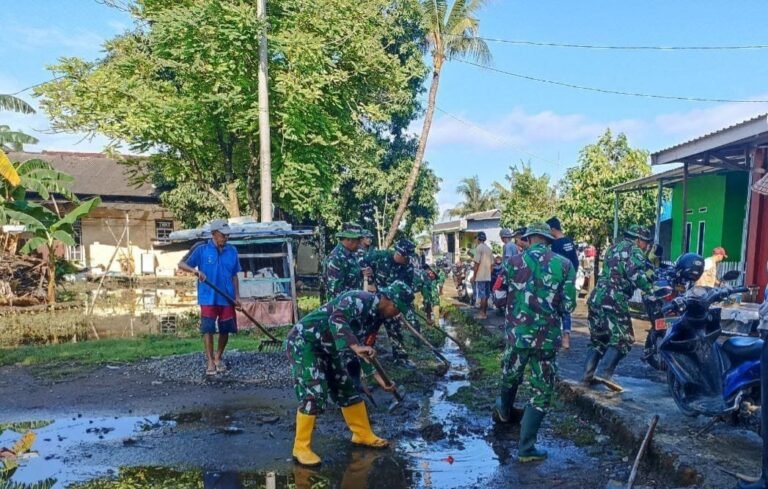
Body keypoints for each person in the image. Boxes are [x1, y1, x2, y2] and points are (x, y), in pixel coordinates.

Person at [287, 282, 413, 466]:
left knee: (346, 389)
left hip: (328, 349)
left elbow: (366, 350)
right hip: (304, 343)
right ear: (389, 300)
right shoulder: (357, 299)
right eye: (397, 309)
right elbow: (336, 320)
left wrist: (379, 380)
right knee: (314, 392)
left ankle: (362, 434)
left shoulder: (377, 318)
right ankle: (301, 447)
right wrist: (355, 346)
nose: (397, 314)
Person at [492, 222, 576, 463]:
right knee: (541, 390)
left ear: (528, 239)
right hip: (546, 340)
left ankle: (504, 410)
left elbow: (497, 297)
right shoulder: (565, 265)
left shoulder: (511, 262)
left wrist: (512, 306)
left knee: (511, 375)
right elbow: (568, 306)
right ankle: (526, 448)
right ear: (548, 241)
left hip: (516, 336)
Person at [582, 225, 655, 386]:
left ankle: (588, 373)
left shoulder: (613, 248)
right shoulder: (634, 250)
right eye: (645, 242)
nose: (646, 246)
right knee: (624, 338)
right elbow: (635, 275)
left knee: (599, 338)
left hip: (597, 296)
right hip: (614, 298)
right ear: (638, 239)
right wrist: (651, 290)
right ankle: (604, 373)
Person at [178, 219, 242, 376]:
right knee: (208, 328)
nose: (226, 238)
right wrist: (196, 271)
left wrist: (238, 296)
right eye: (222, 235)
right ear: (214, 234)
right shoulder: (201, 249)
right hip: (208, 297)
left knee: (226, 328)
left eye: (227, 235)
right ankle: (210, 361)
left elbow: (234, 276)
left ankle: (218, 356)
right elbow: (181, 264)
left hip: (227, 297)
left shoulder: (232, 251)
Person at [362, 239, 417, 367]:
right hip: (375, 301)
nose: (407, 260)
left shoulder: (408, 267)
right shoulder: (381, 256)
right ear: (399, 253)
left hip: (392, 304)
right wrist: (366, 274)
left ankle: (401, 358)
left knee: (395, 329)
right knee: (369, 328)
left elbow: (406, 290)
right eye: (405, 257)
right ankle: (365, 354)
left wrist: (400, 308)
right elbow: (362, 262)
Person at [546, 217, 579, 350]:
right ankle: (566, 338)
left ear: (553, 229)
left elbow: (554, 264)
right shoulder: (569, 241)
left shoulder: (555, 244)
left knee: (554, 307)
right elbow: (575, 262)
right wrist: (572, 277)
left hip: (558, 280)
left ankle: (555, 336)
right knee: (566, 309)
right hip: (569, 280)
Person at [324, 223, 366, 300]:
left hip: (351, 304)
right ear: (349, 240)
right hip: (341, 307)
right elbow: (335, 292)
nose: (360, 244)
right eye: (358, 240)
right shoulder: (336, 258)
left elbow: (350, 276)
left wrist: (362, 272)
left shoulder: (351, 255)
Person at [472, 231, 493, 320]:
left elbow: (476, 263)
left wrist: (474, 276)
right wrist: (489, 274)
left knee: (482, 295)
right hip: (487, 276)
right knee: (486, 295)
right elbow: (492, 265)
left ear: (478, 239)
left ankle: (482, 314)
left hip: (480, 276)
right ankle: (484, 313)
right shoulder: (488, 249)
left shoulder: (478, 248)